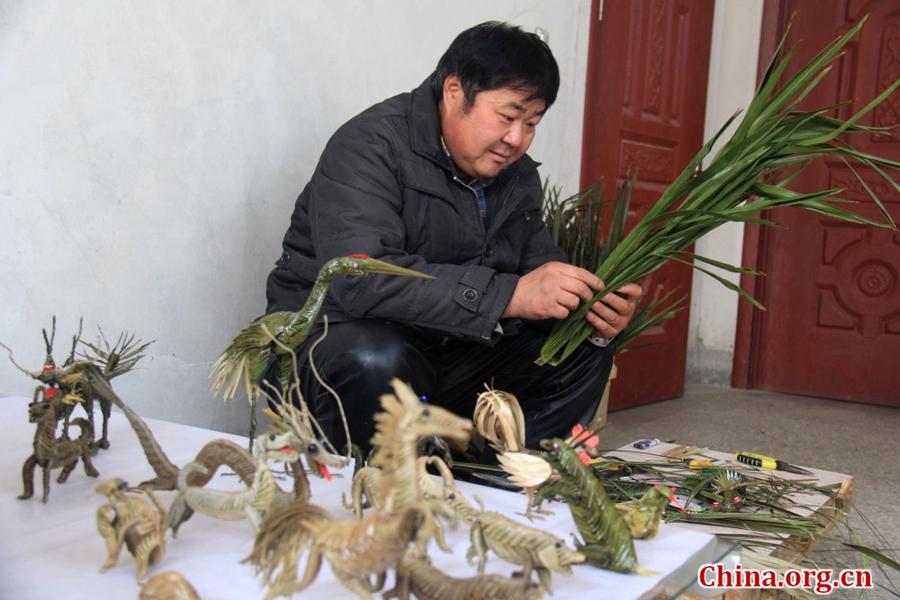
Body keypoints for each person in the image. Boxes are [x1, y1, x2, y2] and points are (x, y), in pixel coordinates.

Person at [265, 21, 642, 455]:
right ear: (454, 91)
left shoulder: (516, 176)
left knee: (580, 351)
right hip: (334, 344)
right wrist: (509, 296)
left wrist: (591, 309)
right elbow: (361, 279)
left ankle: (500, 475)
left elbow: (538, 271)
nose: (516, 139)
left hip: (445, 350)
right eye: (508, 117)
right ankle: (377, 483)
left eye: (532, 123)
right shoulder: (369, 146)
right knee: (375, 356)